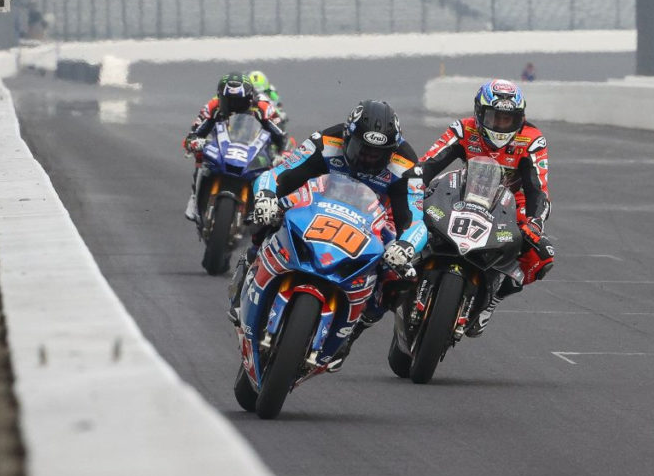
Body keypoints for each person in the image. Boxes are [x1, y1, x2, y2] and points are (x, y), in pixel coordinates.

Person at [233, 100, 428, 368]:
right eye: (362, 149)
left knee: (399, 275)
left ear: (391, 151)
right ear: (348, 136)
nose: (368, 158)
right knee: (269, 214)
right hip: (319, 202)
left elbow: (416, 221)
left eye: (377, 154)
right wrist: (266, 197)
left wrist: (405, 246)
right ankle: (248, 268)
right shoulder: (326, 141)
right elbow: (280, 174)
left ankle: (356, 327)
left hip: (374, 219)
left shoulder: (406, 165)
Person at [419, 78, 554, 337]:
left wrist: (535, 223)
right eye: (495, 117)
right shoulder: (463, 129)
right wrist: (414, 190)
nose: (501, 126)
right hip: (463, 189)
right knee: (414, 210)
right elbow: (429, 164)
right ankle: (415, 263)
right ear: (479, 114)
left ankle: (493, 299)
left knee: (543, 254)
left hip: (512, 200)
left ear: (520, 118)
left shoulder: (532, 139)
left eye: (508, 119)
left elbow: (538, 188)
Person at [183, 73, 286, 221]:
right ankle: (195, 197)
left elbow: (280, 136)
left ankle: (266, 209)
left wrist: (281, 155)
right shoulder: (213, 105)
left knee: (274, 169)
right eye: (228, 100)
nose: (233, 105)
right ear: (220, 96)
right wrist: (193, 141)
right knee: (200, 156)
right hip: (222, 144)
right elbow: (196, 131)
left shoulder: (263, 106)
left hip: (252, 147)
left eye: (239, 101)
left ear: (250, 98)